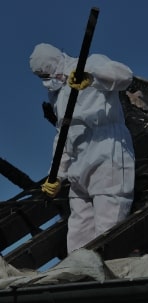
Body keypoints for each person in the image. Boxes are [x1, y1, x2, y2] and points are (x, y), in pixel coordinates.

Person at [29, 43, 135, 253]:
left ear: (55, 62)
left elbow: (125, 76)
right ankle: (78, 276)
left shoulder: (91, 62)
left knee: (108, 225)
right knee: (78, 228)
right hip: (78, 160)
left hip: (106, 150)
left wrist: (91, 76)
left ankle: (106, 276)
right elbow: (63, 135)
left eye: (47, 73)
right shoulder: (56, 95)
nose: (47, 80)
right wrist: (56, 175)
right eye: (42, 77)